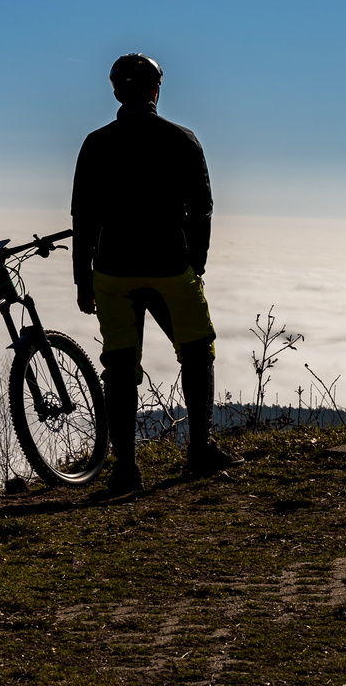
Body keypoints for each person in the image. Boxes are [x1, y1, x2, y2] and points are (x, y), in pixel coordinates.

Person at [72, 53, 241, 495]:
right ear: (155, 90)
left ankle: (126, 470)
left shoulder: (95, 143)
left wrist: (81, 278)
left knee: (120, 365)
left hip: (112, 271)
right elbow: (201, 210)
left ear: (115, 91)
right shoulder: (181, 139)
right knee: (197, 350)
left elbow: (83, 217)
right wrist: (196, 266)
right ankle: (200, 449)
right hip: (170, 266)